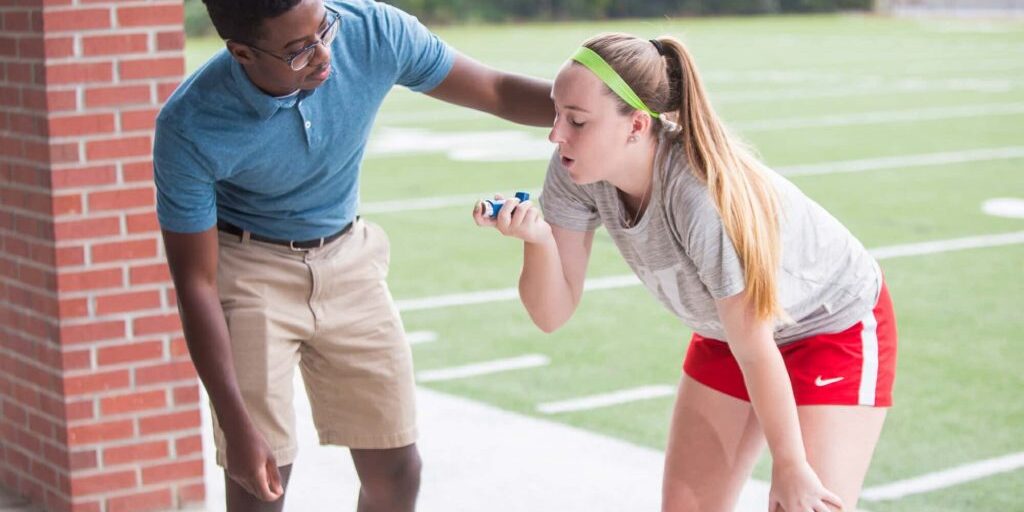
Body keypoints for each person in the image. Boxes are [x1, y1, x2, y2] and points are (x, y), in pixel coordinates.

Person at [154, 1, 553, 511]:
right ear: (242, 53)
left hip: (348, 256)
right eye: (299, 52)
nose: (324, 55)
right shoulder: (190, 125)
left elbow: (496, 90)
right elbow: (197, 284)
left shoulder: (372, 31)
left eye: (325, 29)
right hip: (250, 270)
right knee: (261, 482)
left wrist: (602, 108)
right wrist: (235, 421)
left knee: (397, 468)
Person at [473, 32, 897, 512]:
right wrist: (539, 242)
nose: (556, 135)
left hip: (828, 326)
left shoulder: (699, 197)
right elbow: (551, 314)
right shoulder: (574, 171)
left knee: (805, 505)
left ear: (635, 125)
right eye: (556, 115)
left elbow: (756, 349)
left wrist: (790, 463)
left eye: (577, 121)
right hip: (729, 331)